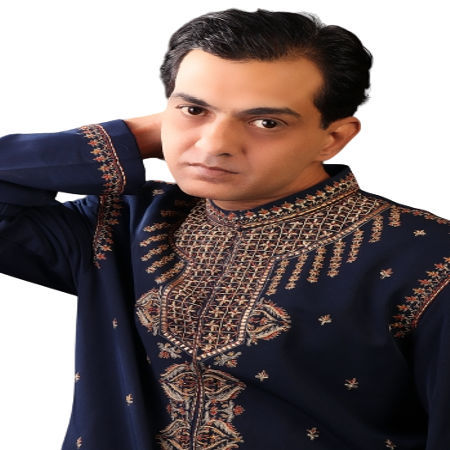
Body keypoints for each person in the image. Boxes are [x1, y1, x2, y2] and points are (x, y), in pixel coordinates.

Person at [0, 8, 448, 450]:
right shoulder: (123, 223)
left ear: (333, 138)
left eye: (266, 122)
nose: (214, 144)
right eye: (194, 109)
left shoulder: (429, 260)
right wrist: (130, 139)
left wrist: (188, 120)